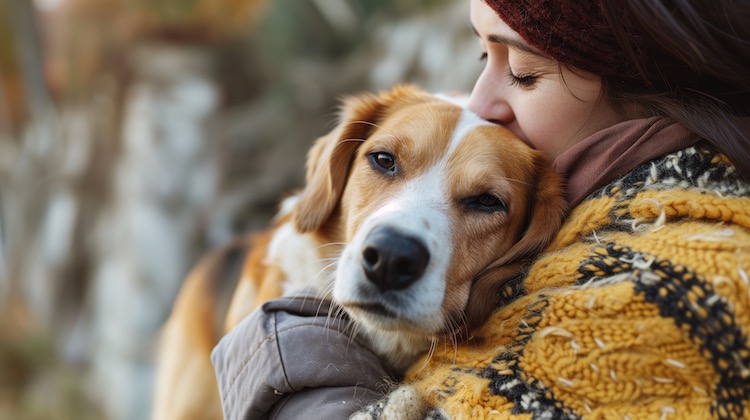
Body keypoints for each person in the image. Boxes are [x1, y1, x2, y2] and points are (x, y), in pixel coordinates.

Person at [211, 0, 750, 418]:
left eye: (522, 71)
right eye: (482, 56)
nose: (478, 102)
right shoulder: (613, 209)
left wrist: (284, 342)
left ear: (644, 88)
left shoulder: (664, 283)